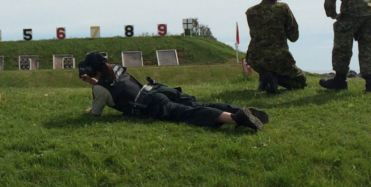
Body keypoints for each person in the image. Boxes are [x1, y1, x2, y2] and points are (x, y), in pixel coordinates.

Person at [77, 52, 267, 131]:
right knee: (197, 104)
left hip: (152, 104)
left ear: (95, 69)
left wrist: (93, 86)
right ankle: (237, 110)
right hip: (156, 90)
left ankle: (236, 118)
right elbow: (110, 86)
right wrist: (93, 82)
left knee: (190, 113)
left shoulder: (100, 88)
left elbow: (96, 111)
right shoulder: (115, 70)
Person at [245, 0, 307, 94]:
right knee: (301, 81)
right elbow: (294, 36)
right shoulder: (283, 8)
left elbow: (254, 34)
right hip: (279, 58)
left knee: (266, 66)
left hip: (255, 58)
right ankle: (275, 79)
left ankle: (266, 78)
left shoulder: (251, 12)